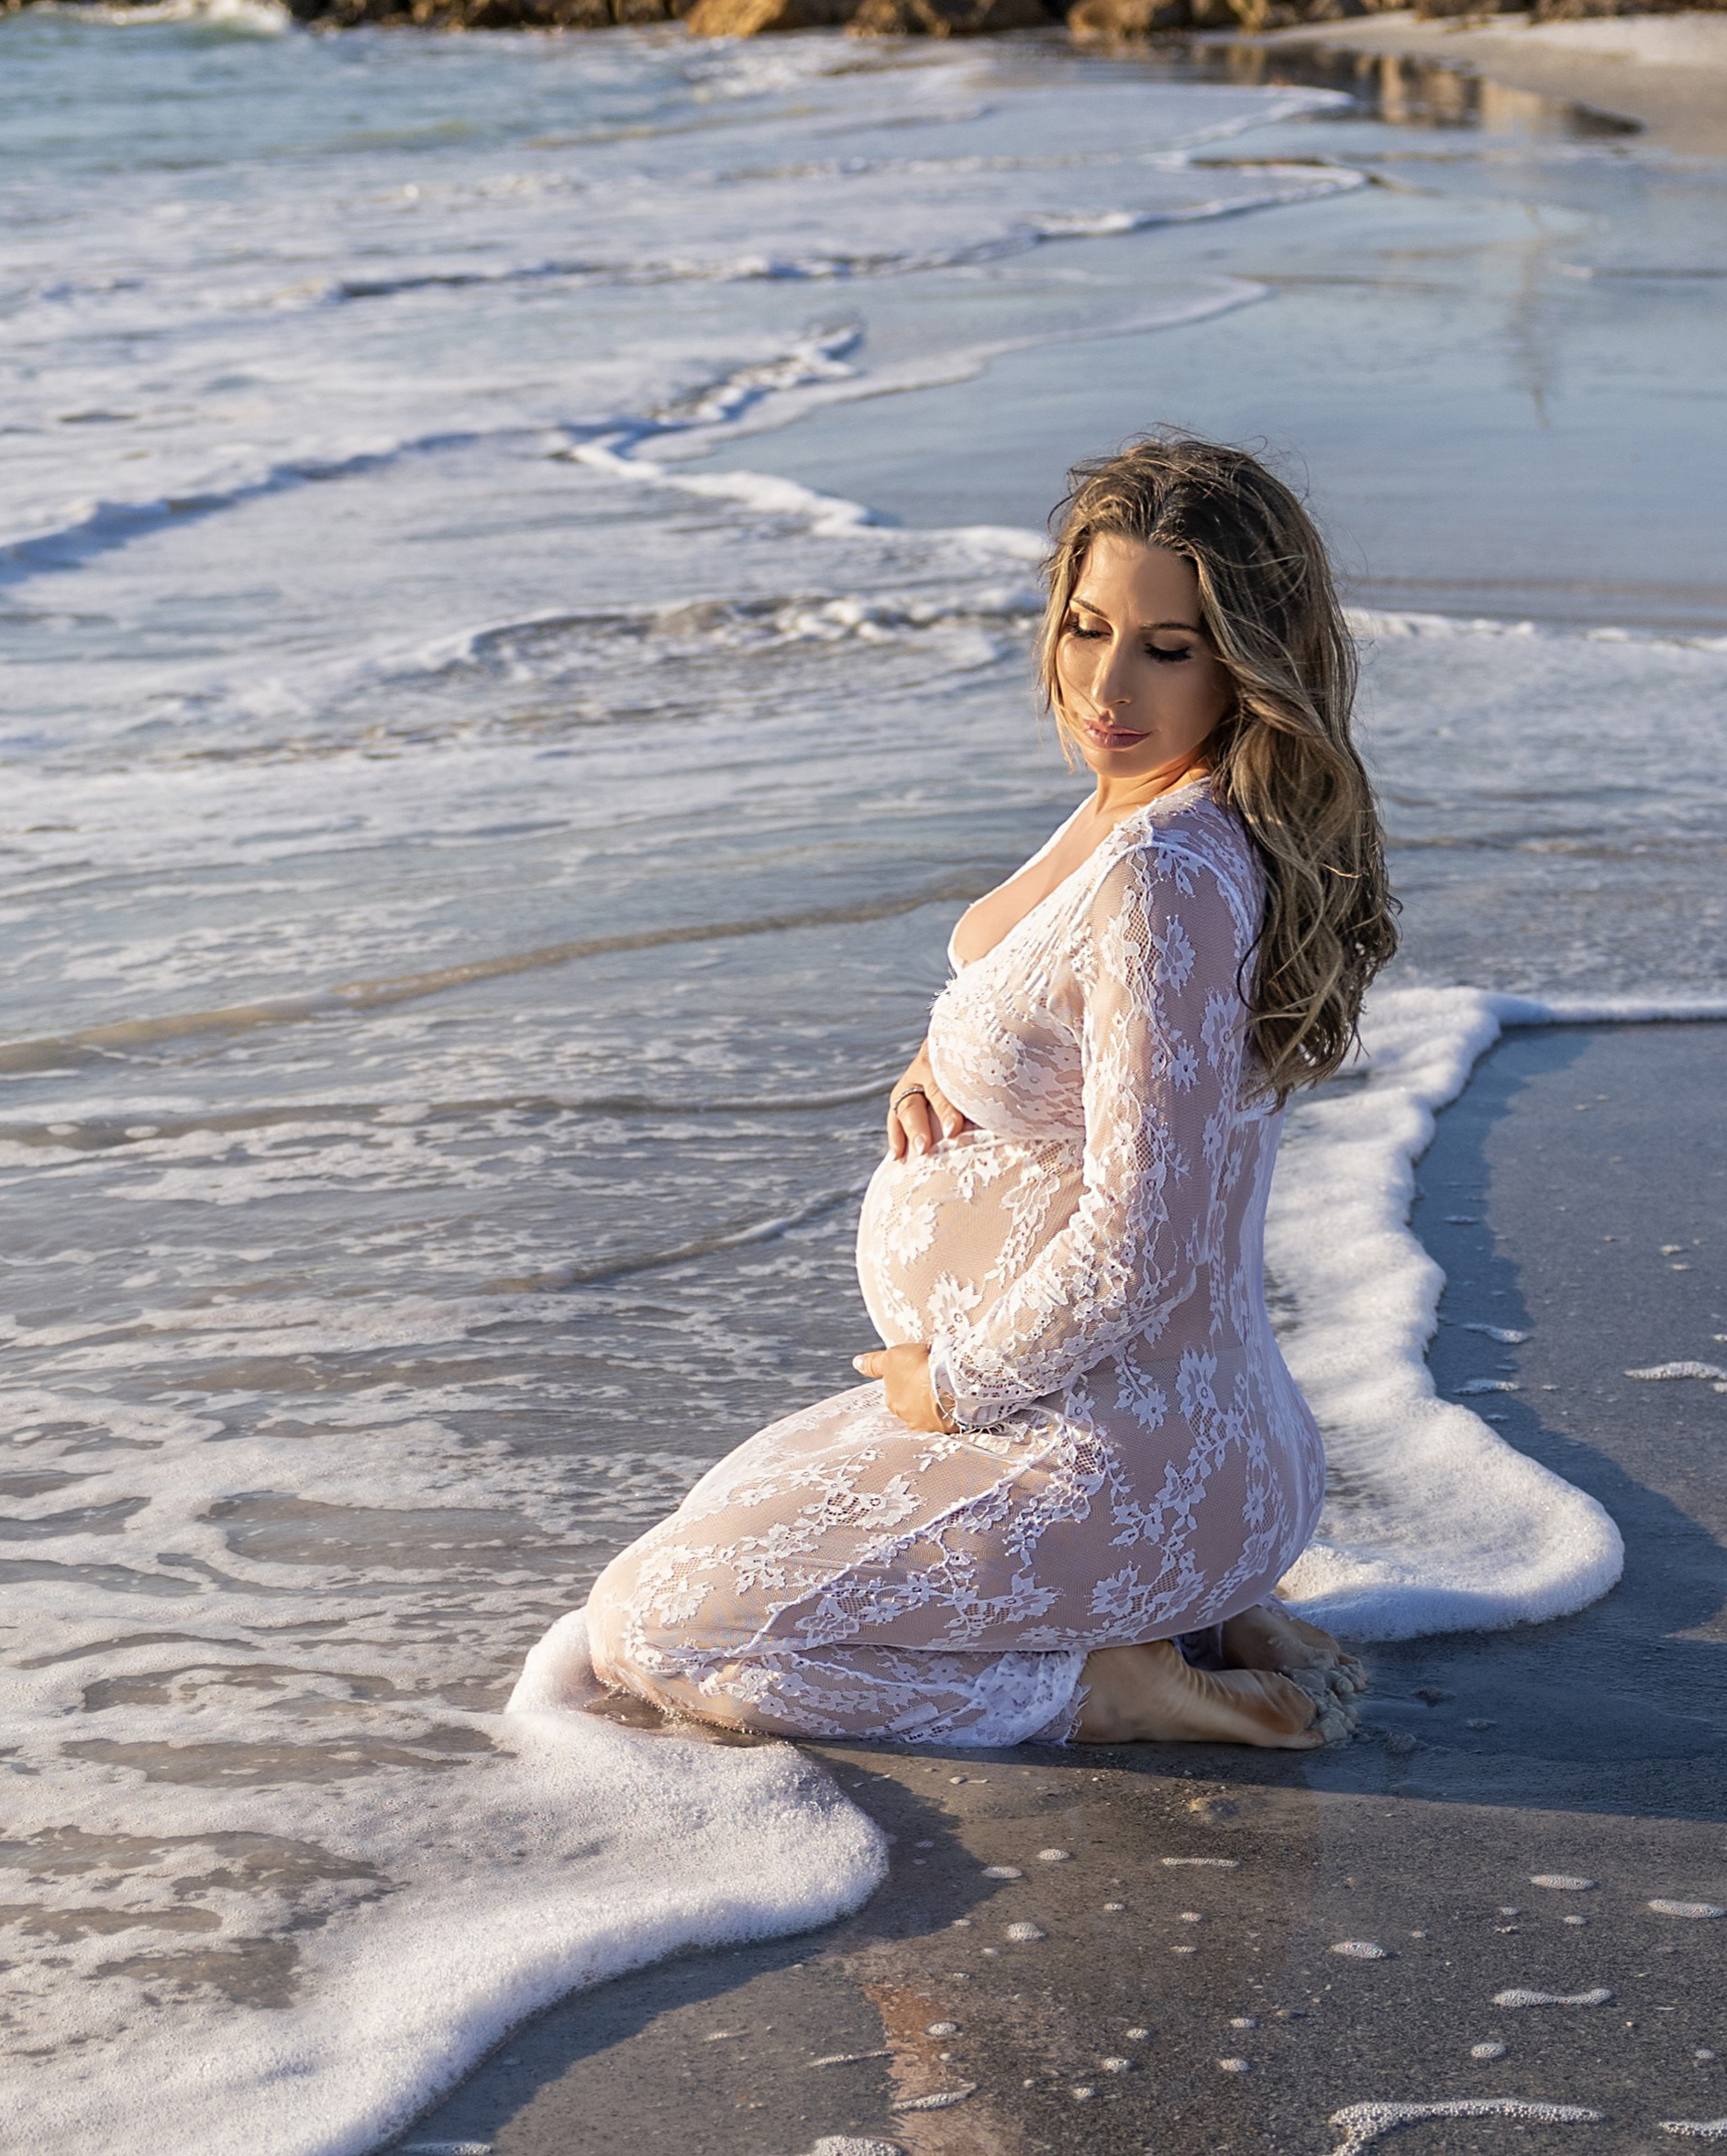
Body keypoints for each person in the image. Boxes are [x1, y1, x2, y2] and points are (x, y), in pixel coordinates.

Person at [514, 433, 1398, 1749]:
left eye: (1168, 646)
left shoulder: (1166, 868)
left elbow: (1142, 1243)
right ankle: (1195, 1616)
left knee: (659, 1629)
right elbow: (1082, 1011)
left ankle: (1103, 1683)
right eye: (1088, 626)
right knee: (699, 1541)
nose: (1106, 684)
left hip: (1111, 1450)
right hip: (1135, 1434)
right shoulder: (1138, 811)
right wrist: (961, 1044)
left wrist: (962, 1379)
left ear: (1248, 659)